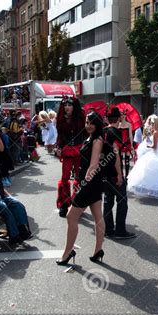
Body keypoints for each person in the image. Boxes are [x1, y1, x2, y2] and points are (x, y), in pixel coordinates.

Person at [57, 112, 106, 266]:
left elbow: (93, 164)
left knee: (71, 217)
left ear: (97, 124)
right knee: (98, 216)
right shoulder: (90, 138)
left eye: (91, 122)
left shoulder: (97, 140)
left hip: (89, 183)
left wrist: (83, 184)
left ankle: (68, 252)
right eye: (86, 122)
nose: (88, 125)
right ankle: (98, 250)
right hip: (92, 182)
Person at [103, 107, 136, 239]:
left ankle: (108, 229)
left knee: (107, 201)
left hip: (103, 171)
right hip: (113, 171)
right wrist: (119, 174)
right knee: (122, 201)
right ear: (118, 118)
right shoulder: (115, 132)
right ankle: (120, 230)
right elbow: (116, 154)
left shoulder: (103, 131)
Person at [127, 115, 158, 198]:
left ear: (156, 123)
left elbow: (154, 146)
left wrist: (148, 146)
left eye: (152, 123)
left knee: (149, 172)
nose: (151, 125)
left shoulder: (156, 133)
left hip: (155, 153)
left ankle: (151, 190)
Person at [55, 96, 86, 217]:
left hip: (80, 150)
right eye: (65, 105)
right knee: (65, 177)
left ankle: (76, 203)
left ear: (74, 107)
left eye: (70, 105)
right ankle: (64, 204)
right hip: (67, 150)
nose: (67, 107)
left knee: (79, 177)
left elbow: (86, 132)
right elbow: (60, 136)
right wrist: (58, 147)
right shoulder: (61, 119)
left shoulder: (81, 118)